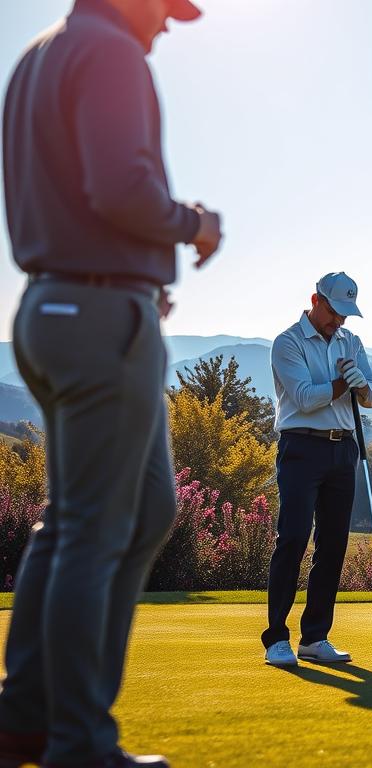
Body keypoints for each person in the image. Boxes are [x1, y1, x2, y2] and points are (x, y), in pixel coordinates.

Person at [0, 0, 223, 765]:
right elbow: (122, 189)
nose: (167, 24)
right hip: (98, 318)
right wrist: (195, 224)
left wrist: (132, 275)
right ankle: (79, 742)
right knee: (95, 530)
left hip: (56, 307)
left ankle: (25, 717)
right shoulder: (111, 53)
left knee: (127, 513)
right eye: (165, 7)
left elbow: (79, 198)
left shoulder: (38, 53)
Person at [263, 272, 372, 667]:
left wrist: (362, 386)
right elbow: (304, 397)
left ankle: (315, 637)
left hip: (342, 450)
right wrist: (342, 384)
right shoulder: (288, 342)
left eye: (346, 314)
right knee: (293, 539)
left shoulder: (352, 342)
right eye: (334, 311)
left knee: (332, 546)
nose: (339, 322)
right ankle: (276, 638)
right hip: (301, 448)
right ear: (316, 300)